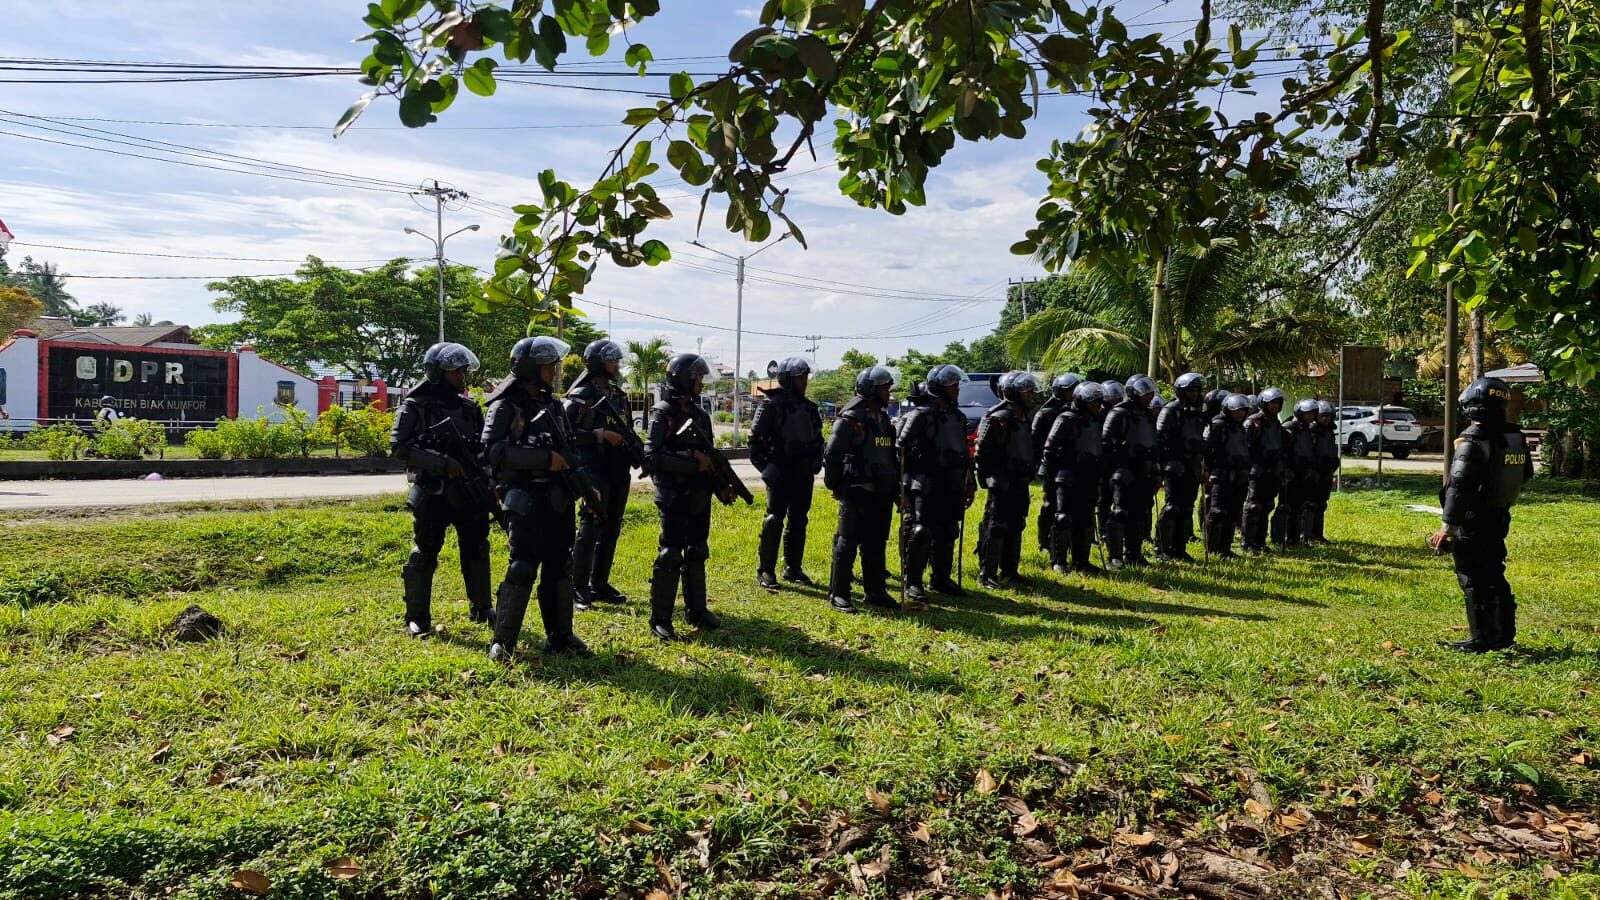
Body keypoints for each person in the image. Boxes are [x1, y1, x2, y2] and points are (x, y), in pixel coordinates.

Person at [483, 335, 593, 660]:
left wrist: (586, 486)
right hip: (524, 498)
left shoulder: (554, 405)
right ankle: (502, 641)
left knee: (560, 566)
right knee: (522, 567)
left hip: (558, 499)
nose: (554, 370)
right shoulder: (505, 406)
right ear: (531, 368)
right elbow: (492, 452)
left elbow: (570, 450)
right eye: (548, 365)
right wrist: (543, 460)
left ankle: (561, 636)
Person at [389, 342, 493, 637]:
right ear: (437, 373)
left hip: (469, 491)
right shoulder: (414, 406)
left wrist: (488, 479)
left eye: (463, 369)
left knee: (476, 547)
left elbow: (483, 450)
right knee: (425, 552)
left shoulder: (469, 408)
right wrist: (440, 463)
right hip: (433, 492)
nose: (461, 375)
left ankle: (481, 606)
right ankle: (417, 615)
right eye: (454, 370)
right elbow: (400, 447)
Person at [1429, 377, 1533, 652]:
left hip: (1474, 519)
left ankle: (1480, 638)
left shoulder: (1472, 441)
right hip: (1499, 515)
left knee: (1472, 575)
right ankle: (1503, 636)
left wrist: (1447, 527)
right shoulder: (1514, 438)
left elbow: (1459, 488)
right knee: (1495, 572)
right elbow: (1527, 475)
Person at [644, 353, 732, 640]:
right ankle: (660, 618)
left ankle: (697, 610)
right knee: (670, 553)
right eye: (697, 378)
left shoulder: (701, 415)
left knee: (697, 550)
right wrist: (691, 460)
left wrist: (721, 486)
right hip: (672, 493)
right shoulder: (663, 413)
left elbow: (711, 458)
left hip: (699, 494)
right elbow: (652, 457)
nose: (701, 383)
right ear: (683, 379)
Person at [563, 339, 637, 610]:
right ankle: (578, 587)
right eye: (611, 360)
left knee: (612, 525)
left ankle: (599, 583)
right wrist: (599, 435)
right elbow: (565, 435)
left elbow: (627, 426)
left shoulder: (618, 394)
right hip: (593, 468)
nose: (617, 365)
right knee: (591, 524)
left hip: (618, 468)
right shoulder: (580, 396)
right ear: (598, 363)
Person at [823, 365, 901, 612]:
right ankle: (839, 594)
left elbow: (891, 457)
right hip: (857, 489)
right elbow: (832, 455)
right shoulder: (851, 419)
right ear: (870, 390)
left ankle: (875, 591)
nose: (889, 393)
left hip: (882, 491)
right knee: (847, 542)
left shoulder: (883, 420)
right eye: (884, 389)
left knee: (876, 542)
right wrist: (836, 485)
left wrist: (897, 490)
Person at [897, 365, 977, 602]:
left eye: (957, 384)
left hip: (952, 482)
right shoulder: (920, 415)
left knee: (949, 530)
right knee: (922, 531)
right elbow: (900, 452)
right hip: (925, 482)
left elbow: (965, 454)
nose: (957, 389)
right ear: (939, 388)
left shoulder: (958, 417)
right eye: (952, 385)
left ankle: (941, 578)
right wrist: (903, 485)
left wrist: (970, 483)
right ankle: (913, 582)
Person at [749, 356, 824, 589]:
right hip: (780, 471)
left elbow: (818, 438)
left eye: (805, 377)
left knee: (799, 520)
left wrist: (815, 462)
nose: (804, 382)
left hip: (803, 473)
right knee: (774, 519)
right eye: (800, 378)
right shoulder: (771, 405)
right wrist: (768, 469)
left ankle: (793, 568)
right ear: (787, 379)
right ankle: (766, 570)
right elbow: (755, 443)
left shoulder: (809, 408)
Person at [975, 370, 1041, 588]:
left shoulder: (1023, 416)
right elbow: (982, 451)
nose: (1030, 394)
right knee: (996, 526)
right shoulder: (998, 417)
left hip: (1020, 480)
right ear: (1013, 392)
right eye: (1026, 390)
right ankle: (987, 573)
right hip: (1002, 481)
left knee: (1016, 524)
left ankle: (1010, 571)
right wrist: (987, 479)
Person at [1041, 380, 1106, 574]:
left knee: (1085, 519)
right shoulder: (1065, 419)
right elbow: (1049, 450)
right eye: (1092, 401)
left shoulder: (1096, 420)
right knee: (1063, 518)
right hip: (1067, 476)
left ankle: (1082, 562)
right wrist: (1056, 474)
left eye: (1098, 401)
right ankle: (1058, 561)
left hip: (1089, 477)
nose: (1096, 405)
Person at [1102, 374, 1159, 569]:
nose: (1149, 397)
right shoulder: (1119, 413)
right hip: (1122, 470)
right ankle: (1114, 557)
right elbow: (1106, 443)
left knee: (1140, 513)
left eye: (1150, 393)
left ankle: (1134, 554)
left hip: (1143, 471)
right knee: (1120, 513)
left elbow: (1154, 443)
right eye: (1145, 394)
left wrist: (1156, 470)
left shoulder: (1148, 416)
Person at [1155, 372, 1208, 562]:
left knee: (1186, 508)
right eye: (1190, 390)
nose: (1194, 394)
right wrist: (1159, 469)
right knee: (1172, 508)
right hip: (1174, 465)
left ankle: (1179, 548)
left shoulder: (1198, 412)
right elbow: (1160, 440)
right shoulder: (1171, 410)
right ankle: (1161, 548)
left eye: (1196, 390)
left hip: (1192, 466)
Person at [1032, 373, 1082, 553]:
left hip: (1070, 465)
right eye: (1070, 391)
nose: (1073, 394)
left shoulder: (1077, 413)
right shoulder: (1046, 413)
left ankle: (1067, 541)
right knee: (1050, 504)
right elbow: (1036, 442)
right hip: (1050, 463)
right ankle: (1044, 541)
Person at [1203, 393, 1252, 558]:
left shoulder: (1240, 427)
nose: (1240, 413)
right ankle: (1212, 548)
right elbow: (1207, 450)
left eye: (1243, 410)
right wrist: (1206, 471)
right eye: (1237, 410)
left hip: (1239, 475)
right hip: (1220, 474)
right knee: (1217, 512)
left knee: (1233, 513)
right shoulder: (1217, 425)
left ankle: (1225, 548)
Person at [1240, 387, 1287, 554]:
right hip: (1257, 470)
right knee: (1254, 507)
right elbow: (1243, 446)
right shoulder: (1253, 422)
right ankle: (1247, 543)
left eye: (1277, 403)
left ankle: (1259, 542)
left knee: (1267, 506)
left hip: (1272, 470)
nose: (1275, 406)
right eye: (1271, 403)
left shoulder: (1275, 422)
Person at [1275, 398, 1319, 546]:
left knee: (1299, 507)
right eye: (1308, 413)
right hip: (1290, 473)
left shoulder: (1308, 429)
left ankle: (1294, 538)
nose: (1310, 416)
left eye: (1313, 413)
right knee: (1285, 506)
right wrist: (1285, 470)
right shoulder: (1289, 427)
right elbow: (1282, 451)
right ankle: (1278, 537)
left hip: (1304, 473)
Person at [1302, 400, 1340, 542]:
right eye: (1322, 416)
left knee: (1321, 504)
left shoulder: (1329, 432)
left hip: (1326, 473)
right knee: (1310, 505)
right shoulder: (1310, 431)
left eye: (1328, 416)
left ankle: (1318, 534)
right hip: (1313, 474)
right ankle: (1305, 534)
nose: (1325, 419)